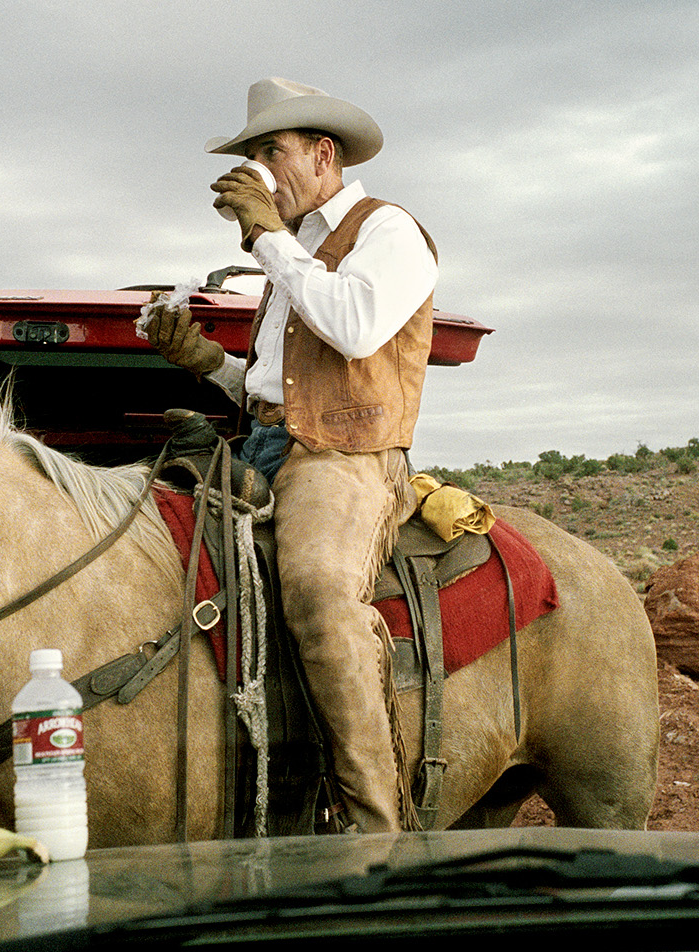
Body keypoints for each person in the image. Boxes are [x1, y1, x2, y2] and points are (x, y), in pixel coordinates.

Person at [145, 77, 438, 833]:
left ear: (321, 153)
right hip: (272, 441)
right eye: (254, 155)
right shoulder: (295, 255)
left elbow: (357, 327)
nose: (261, 170)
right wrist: (205, 360)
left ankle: (377, 831)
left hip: (348, 457)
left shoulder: (389, 231)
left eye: (271, 152)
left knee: (315, 591)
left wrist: (266, 237)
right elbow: (276, 392)